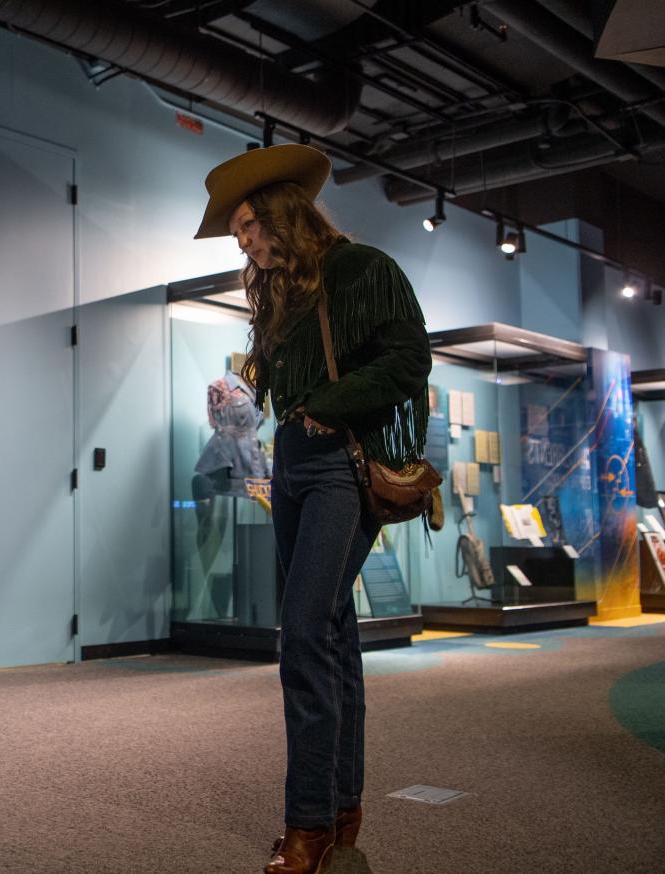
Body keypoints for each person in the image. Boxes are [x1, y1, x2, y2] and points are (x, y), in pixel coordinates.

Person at [195, 144, 431, 874]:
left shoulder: (364, 271)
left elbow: (407, 359)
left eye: (246, 227)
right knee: (330, 630)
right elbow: (269, 394)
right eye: (237, 234)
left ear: (280, 215)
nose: (244, 243)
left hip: (340, 466)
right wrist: (249, 392)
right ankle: (342, 809)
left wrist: (327, 404)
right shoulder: (281, 298)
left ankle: (307, 824)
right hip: (293, 466)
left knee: (301, 632)